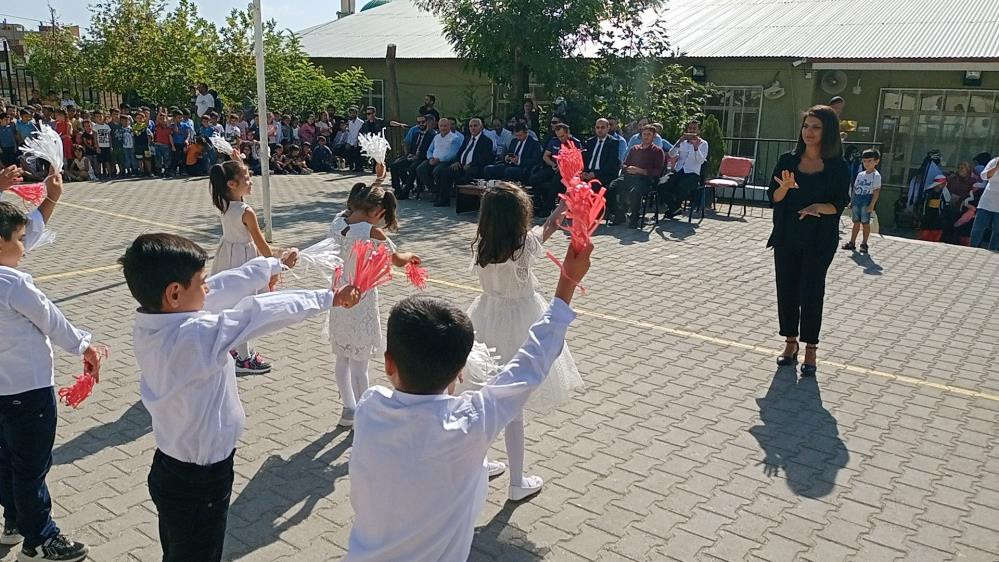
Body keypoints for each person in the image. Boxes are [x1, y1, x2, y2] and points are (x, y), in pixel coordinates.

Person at [343, 239, 591, 562]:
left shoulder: (369, 408)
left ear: (389, 364)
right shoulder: (470, 422)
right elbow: (531, 363)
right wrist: (567, 282)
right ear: (461, 372)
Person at [119, 233, 357, 562]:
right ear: (174, 293)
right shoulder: (195, 335)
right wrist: (328, 297)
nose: (208, 288)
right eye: (201, 282)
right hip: (200, 481)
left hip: (171, 469)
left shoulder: (154, 322)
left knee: (178, 549)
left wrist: (272, 265)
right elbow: (257, 312)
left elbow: (221, 287)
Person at [0, 172, 102, 562]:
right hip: (29, 391)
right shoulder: (14, 284)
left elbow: (28, 230)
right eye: (19, 240)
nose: (25, 247)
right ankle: (40, 539)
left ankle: (14, 522)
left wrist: (50, 200)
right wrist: (84, 346)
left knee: (7, 460)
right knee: (30, 468)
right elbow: (52, 320)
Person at [465, 183, 582, 501]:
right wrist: (561, 210)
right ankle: (517, 481)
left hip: (485, 318)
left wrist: (557, 215)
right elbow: (548, 229)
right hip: (521, 323)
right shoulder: (523, 245)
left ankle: (480, 463)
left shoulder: (481, 246)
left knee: (487, 398)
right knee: (514, 408)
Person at [327, 183, 421, 427]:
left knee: (342, 356)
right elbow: (398, 260)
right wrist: (411, 256)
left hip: (338, 293)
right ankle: (364, 416)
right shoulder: (371, 233)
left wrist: (378, 178)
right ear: (379, 212)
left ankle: (348, 409)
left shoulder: (339, 220)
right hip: (361, 296)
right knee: (360, 362)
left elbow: (359, 205)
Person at [768, 105, 850, 377]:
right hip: (787, 234)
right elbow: (774, 198)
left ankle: (811, 348)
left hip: (819, 238)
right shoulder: (787, 160)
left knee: (812, 293)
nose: (809, 132)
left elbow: (839, 203)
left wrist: (817, 207)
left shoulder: (838, 166)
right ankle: (790, 343)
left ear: (827, 131)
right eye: (806, 126)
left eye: (816, 127)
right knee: (787, 290)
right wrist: (784, 187)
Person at [606, 125, 665, 228]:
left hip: (645, 179)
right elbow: (625, 164)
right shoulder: (635, 149)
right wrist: (628, 168)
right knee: (611, 187)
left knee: (635, 192)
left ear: (653, 136)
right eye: (644, 134)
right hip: (630, 176)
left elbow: (657, 171)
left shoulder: (658, 151)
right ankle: (619, 214)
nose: (646, 137)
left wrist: (640, 171)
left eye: (649, 135)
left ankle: (634, 218)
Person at [436, 117, 493, 207]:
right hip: (461, 166)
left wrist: (470, 165)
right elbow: (460, 152)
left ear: (481, 127)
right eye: (470, 126)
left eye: (475, 126)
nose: (472, 128)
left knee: (467, 176)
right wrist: (456, 161)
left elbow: (484, 158)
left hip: (475, 167)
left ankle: (465, 204)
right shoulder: (467, 138)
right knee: (444, 172)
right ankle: (444, 200)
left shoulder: (486, 141)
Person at [529, 122, 581, 215]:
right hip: (553, 167)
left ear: (567, 132)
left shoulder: (575, 143)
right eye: (558, 136)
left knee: (554, 183)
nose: (561, 139)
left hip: (566, 172)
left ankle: (547, 210)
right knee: (535, 179)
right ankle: (537, 204)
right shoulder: (554, 141)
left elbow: (577, 161)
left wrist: (562, 167)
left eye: (562, 136)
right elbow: (546, 156)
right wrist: (553, 165)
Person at [663, 119, 709, 218]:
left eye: (694, 128)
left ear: (699, 131)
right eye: (690, 128)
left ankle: (674, 208)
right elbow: (671, 154)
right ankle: (674, 207)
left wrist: (696, 148)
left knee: (681, 187)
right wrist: (679, 142)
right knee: (662, 184)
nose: (692, 131)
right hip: (678, 170)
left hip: (692, 173)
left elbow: (700, 161)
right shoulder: (682, 141)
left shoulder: (703, 144)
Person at [842, 149, 882, 254]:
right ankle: (852, 242)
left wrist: (872, 205)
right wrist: (852, 201)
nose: (867, 163)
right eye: (864, 161)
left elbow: (876, 191)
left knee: (865, 223)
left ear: (876, 161)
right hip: (857, 200)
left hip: (867, 200)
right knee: (856, 223)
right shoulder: (860, 174)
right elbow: (855, 188)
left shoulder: (876, 176)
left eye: (870, 161)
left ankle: (864, 243)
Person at [415, 118, 463, 203]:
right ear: (438, 126)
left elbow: (453, 154)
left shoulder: (455, 138)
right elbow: (429, 150)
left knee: (437, 171)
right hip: (433, 160)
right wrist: (430, 158)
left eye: (445, 126)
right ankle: (435, 191)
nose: (443, 128)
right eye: (441, 126)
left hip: (446, 161)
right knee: (420, 169)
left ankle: (442, 196)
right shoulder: (436, 137)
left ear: (449, 126)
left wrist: (439, 160)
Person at [390, 114, 435, 199]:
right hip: (413, 156)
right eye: (419, 122)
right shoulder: (416, 134)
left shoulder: (433, 135)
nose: (421, 124)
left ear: (427, 123)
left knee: (413, 168)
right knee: (394, 166)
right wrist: (409, 154)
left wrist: (417, 157)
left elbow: (430, 151)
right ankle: (397, 190)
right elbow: (412, 147)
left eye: (423, 122)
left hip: (423, 158)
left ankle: (406, 192)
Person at [581, 118, 621, 188]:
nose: (600, 130)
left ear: (608, 128)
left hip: (603, 175)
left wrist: (595, 174)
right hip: (588, 173)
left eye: (602, 127)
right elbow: (585, 159)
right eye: (597, 127)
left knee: (592, 186)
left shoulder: (613, 143)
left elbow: (610, 164)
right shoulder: (590, 142)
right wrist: (584, 172)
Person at [970, 155, 999, 251]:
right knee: (978, 227)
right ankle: (972, 249)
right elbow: (984, 176)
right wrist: (996, 167)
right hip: (987, 202)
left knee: (997, 231)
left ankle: (993, 251)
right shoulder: (994, 161)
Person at [93, 111, 113, 179]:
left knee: (107, 161)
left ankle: (109, 174)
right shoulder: (95, 127)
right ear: (95, 118)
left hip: (107, 146)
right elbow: (95, 138)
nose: (99, 118)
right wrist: (97, 147)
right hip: (100, 146)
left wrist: (111, 146)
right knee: (99, 162)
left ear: (103, 116)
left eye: (100, 116)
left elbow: (109, 137)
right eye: (97, 117)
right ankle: (99, 174)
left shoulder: (107, 126)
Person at [345, 107, 365, 172]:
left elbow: (361, 133)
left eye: (353, 113)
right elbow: (350, 133)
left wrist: (357, 141)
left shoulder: (360, 122)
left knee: (357, 151)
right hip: (352, 141)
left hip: (359, 141)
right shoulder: (349, 122)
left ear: (356, 114)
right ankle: (351, 166)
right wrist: (349, 142)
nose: (352, 115)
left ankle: (359, 167)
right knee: (347, 149)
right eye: (350, 113)